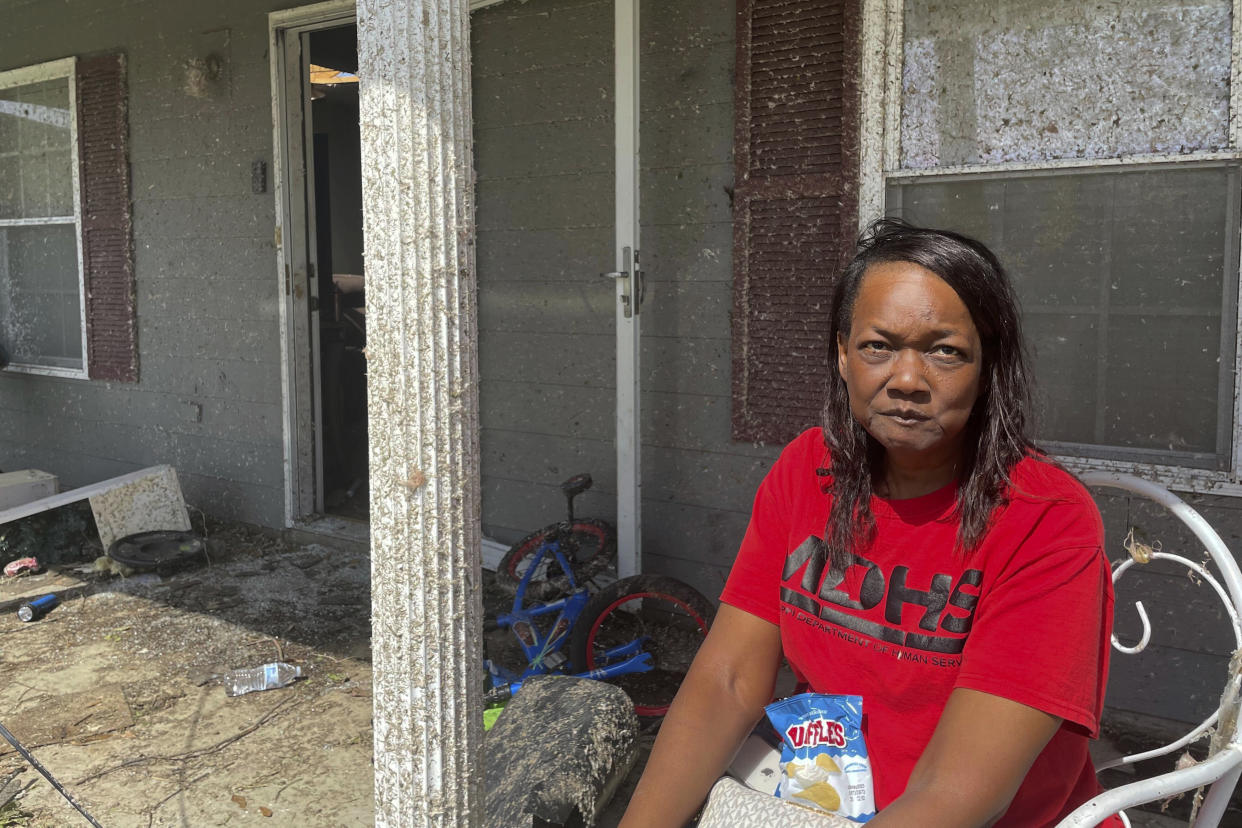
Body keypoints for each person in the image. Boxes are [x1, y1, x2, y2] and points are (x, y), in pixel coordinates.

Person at [620, 219, 1117, 827]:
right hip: (821, 797)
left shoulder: (1046, 520)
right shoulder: (807, 471)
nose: (906, 379)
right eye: (878, 346)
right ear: (842, 354)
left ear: (990, 364)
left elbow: (956, 793)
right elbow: (726, 681)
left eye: (945, 350)